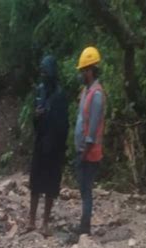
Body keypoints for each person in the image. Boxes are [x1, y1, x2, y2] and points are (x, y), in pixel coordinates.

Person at [27, 55, 69, 236]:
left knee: (51, 185)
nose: (43, 75)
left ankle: (45, 222)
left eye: (46, 71)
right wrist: (37, 116)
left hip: (54, 146)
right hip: (40, 142)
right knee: (35, 183)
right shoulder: (39, 91)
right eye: (41, 71)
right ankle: (31, 220)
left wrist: (50, 117)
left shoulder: (60, 95)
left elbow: (64, 123)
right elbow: (34, 120)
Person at [74, 46, 106, 236]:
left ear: (90, 70)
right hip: (83, 150)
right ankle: (83, 224)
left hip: (90, 153)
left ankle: (85, 227)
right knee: (83, 189)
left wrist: (84, 154)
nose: (81, 74)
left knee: (86, 191)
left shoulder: (97, 95)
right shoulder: (87, 91)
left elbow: (92, 130)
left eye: (83, 70)